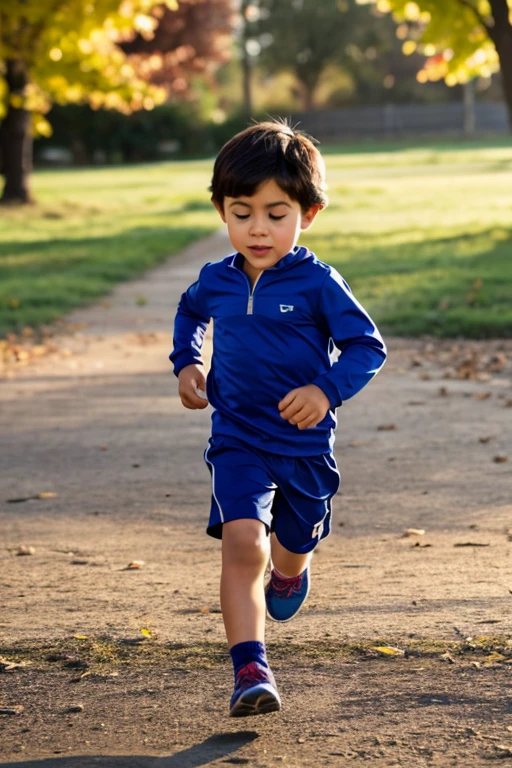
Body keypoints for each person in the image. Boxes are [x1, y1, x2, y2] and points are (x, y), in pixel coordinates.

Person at [170, 120, 386, 718]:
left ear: (307, 214)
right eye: (241, 213)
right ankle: (250, 670)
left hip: (304, 446)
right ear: (221, 210)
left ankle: (293, 572)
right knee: (244, 545)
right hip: (237, 436)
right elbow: (189, 314)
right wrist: (188, 363)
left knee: (289, 550)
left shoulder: (319, 283)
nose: (257, 229)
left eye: (275, 212)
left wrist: (325, 389)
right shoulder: (216, 280)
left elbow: (368, 347)